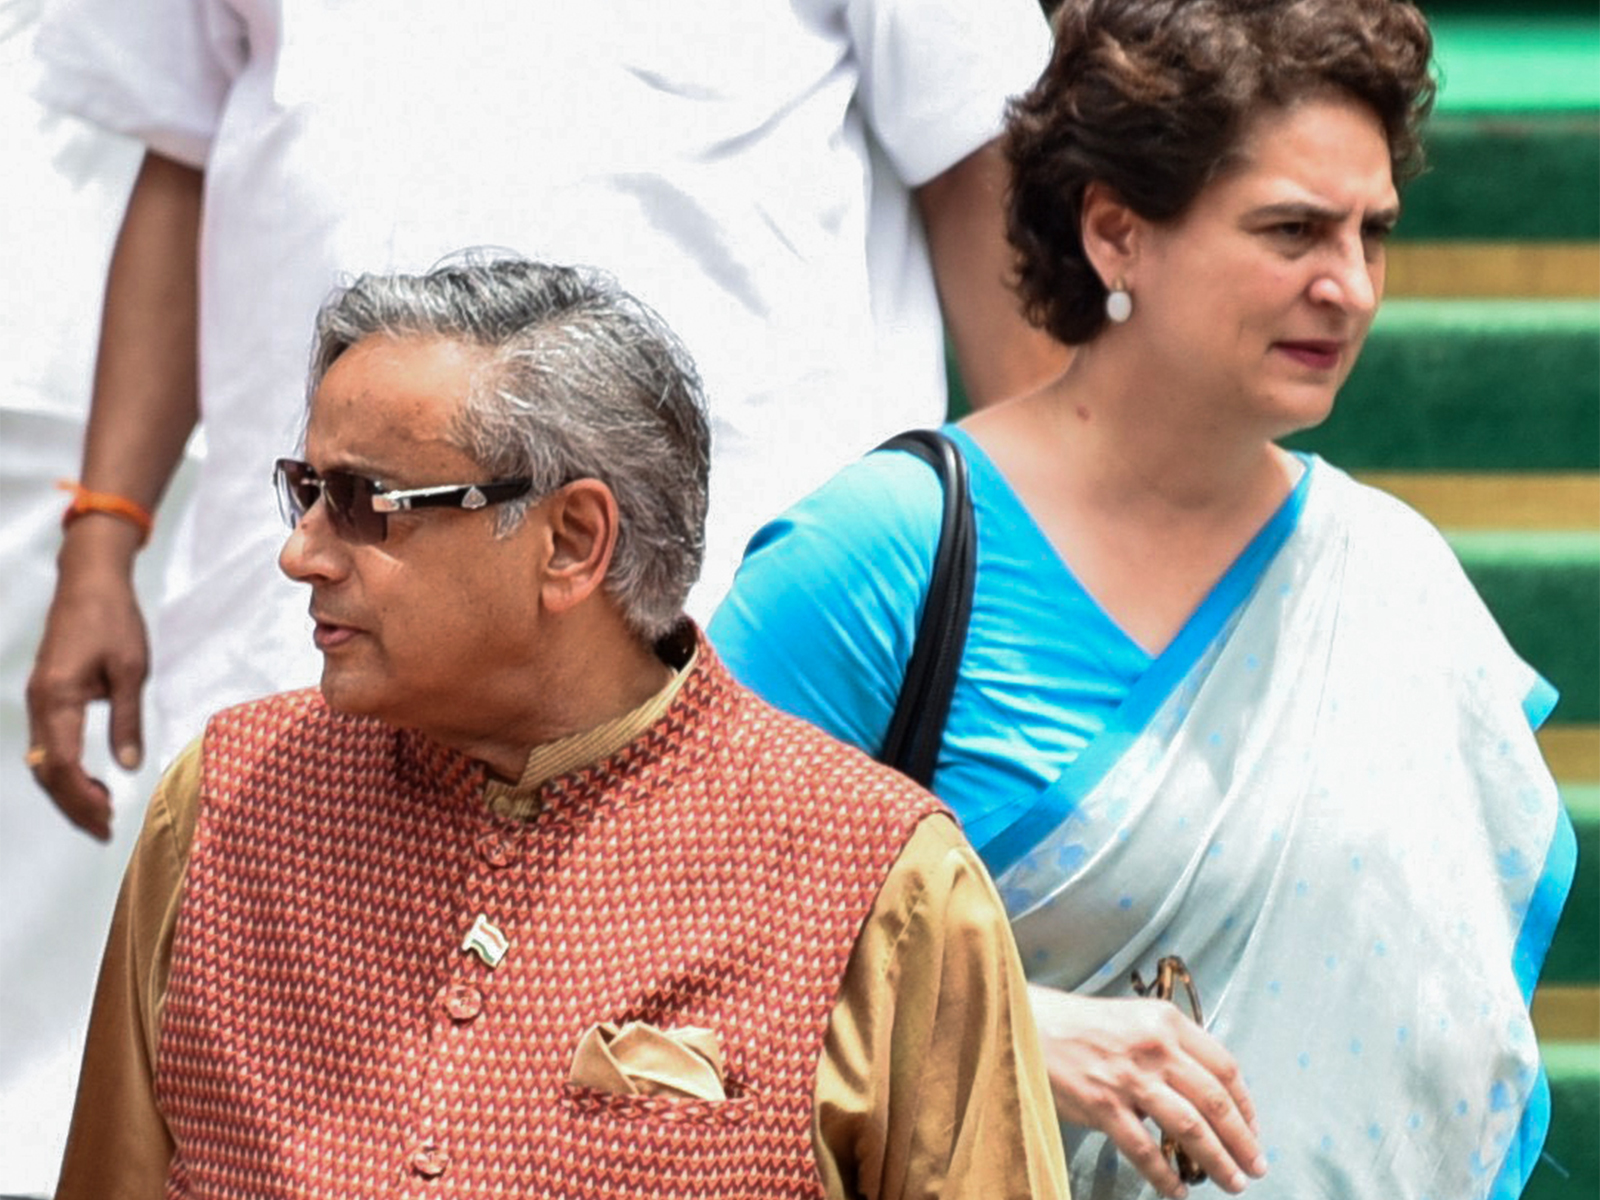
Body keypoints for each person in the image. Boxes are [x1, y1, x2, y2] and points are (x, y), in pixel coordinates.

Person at [709, 0, 1576, 1197]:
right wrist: (1005, 1029)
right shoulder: (885, 558)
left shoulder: (1392, 579)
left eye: (1371, 233)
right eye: (1291, 231)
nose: (1350, 287)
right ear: (1116, 233)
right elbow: (660, 951)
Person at [51, 257, 1069, 1200]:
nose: (302, 554)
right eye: (306, 492)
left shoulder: (878, 881)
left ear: (572, 541)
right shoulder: (229, 804)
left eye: (365, 503)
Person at [25, 0, 1068, 843]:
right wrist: (104, 535)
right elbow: (185, 153)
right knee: (262, 1053)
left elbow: (980, 170)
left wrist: (1045, 587)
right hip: (298, 636)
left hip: (727, 622)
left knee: (700, 1061)